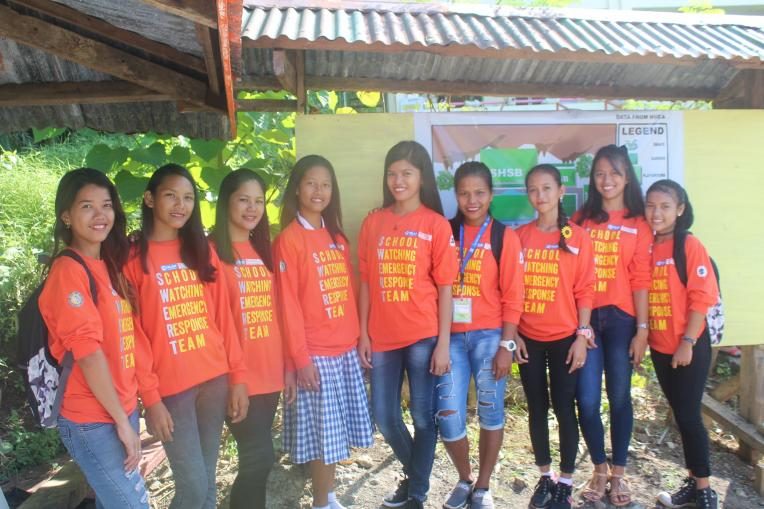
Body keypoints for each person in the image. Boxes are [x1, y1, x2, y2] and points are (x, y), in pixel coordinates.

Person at [125, 164, 249, 509]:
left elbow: (224, 318)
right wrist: (150, 399)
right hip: (172, 391)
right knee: (193, 486)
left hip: (215, 380)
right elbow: (133, 336)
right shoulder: (131, 259)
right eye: (170, 195)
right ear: (150, 199)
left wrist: (238, 378)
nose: (180, 205)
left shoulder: (202, 251)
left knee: (207, 484)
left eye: (188, 198)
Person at [39, 168, 156, 508]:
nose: (100, 215)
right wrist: (122, 422)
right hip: (92, 419)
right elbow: (88, 354)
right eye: (87, 206)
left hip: (121, 408)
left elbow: (126, 342)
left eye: (106, 205)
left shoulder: (107, 266)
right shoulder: (68, 271)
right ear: (66, 214)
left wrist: (132, 409)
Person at [357, 141, 458, 509]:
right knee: (384, 417)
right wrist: (364, 332)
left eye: (407, 174)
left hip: (423, 337)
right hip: (382, 337)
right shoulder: (374, 222)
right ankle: (417, 478)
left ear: (421, 178)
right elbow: (366, 281)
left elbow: (446, 289)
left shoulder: (435, 224)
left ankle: (416, 493)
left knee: (422, 417)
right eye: (392, 173)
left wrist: (443, 343)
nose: (398, 181)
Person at [274, 155, 373, 509]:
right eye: (312, 183)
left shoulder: (336, 236)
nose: (319, 191)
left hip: (343, 350)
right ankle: (320, 502)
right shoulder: (289, 239)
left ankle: (328, 497)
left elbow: (347, 291)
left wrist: (360, 337)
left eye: (326, 184)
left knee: (334, 438)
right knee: (321, 440)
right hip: (315, 355)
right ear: (297, 188)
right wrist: (299, 360)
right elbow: (288, 305)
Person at [436, 162, 525, 509]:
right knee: (448, 413)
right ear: (455, 194)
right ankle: (464, 477)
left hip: (490, 336)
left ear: (491, 195)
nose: (471, 200)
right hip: (451, 337)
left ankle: (484, 487)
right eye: (464, 193)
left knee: (490, 410)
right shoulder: (444, 232)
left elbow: (513, 296)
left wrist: (507, 345)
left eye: (479, 193)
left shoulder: (505, 236)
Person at [210, 169, 296, 509]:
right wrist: (236, 380)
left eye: (258, 201)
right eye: (243, 199)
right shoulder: (211, 253)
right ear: (226, 202)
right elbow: (218, 324)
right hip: (239, 377)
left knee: (258, 461)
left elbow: (278, 314)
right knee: (258, 457)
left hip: (269, 373)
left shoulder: (264, 249)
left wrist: (288, 366)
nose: (252, 208)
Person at [573, 145, 652, 506]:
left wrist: (643, 330)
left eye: (615, 173)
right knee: (587, 401)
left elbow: (640, 278)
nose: (607, 180)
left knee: (619, 397)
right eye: (600, 173)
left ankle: (618, 474)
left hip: (622, 320)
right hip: (587, 321)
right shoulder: (581, 219)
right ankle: (599, 468)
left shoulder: (639, 222)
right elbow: (566, 272)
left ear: (627, 177)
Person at [516, 164, 595, 509]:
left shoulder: (577, 236)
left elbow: (586, 290)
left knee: (565, 408)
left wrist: (582, 335)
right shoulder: (519, 237)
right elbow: (510, 290)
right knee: (536, 408)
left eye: (546, 188)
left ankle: (565, 481)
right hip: (528, 338)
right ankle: (544, 476)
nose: (540, 196)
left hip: (565, 338)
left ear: (561, 191)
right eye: (533, 190)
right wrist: (513, 334)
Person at [644, 179, 719, 509]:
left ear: (680, 209)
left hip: (687, 346)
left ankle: (704, 491)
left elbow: (702, 297)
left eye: (664, 206)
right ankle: (693, 482)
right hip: (660, 348)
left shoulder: (688, 244)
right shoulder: (648, 246)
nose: (656, 213)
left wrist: (687, 341)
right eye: (651, 206)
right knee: (682, 414)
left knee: (689, 416)